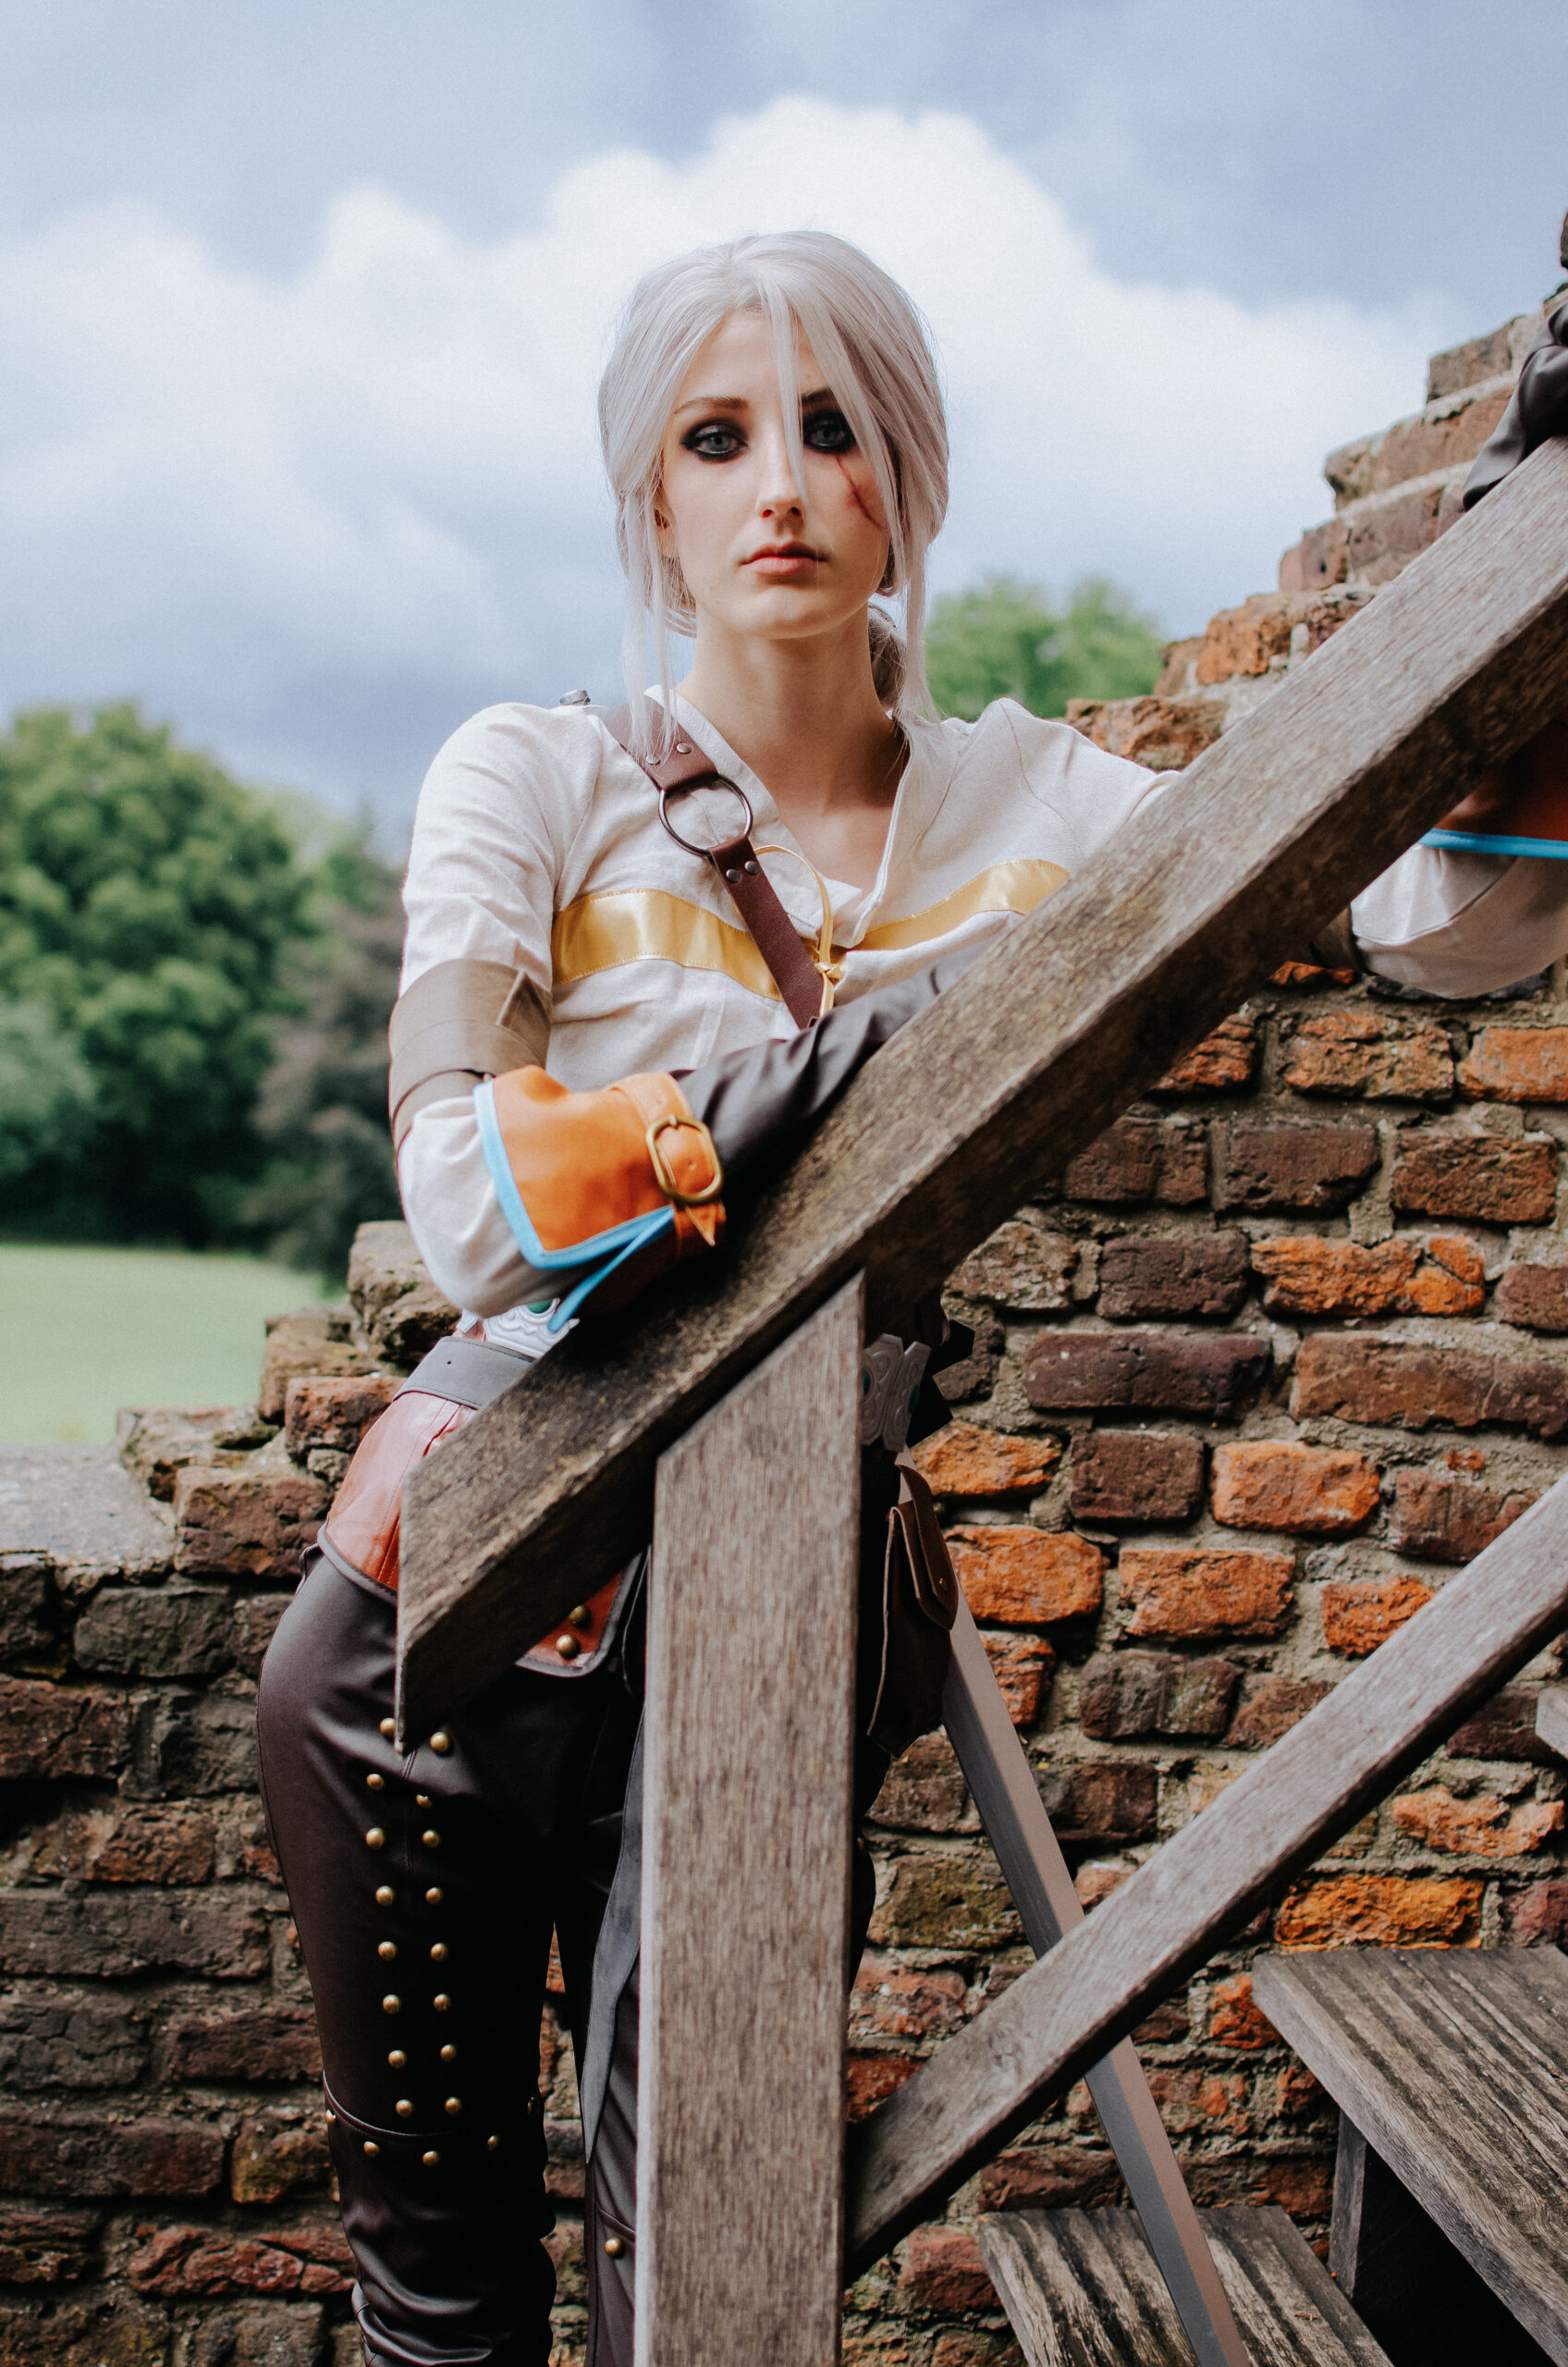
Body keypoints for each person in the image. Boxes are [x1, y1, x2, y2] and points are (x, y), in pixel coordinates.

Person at [256, 230, 1568, 2367]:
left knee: (704, 2281)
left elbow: (1447, 918)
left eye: (830, 428)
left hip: (782, 1584)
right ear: (650, 495)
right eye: (715, 437)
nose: (777, 484)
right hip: (435, 1601)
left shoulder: (1039, 804)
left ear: (907, 480)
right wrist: (906, 1045)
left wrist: (1533, 552)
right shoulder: (533, 772)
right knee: (443, 2308)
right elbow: (473, 1198)